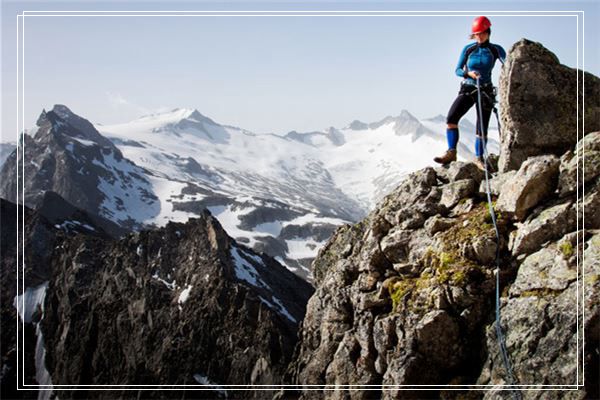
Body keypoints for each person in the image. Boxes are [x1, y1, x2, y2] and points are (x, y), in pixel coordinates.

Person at [433, 16, 506, 169]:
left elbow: (509, 63)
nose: (478, 36)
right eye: (476, 34)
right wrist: (469, 74)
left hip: (485, 90)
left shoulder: (495, 50)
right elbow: (458, 70)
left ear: (487, 32)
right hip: (469, 87)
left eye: (481, 33)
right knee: (452, 118)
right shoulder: (468, 49)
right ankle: (451, 152)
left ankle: (479, 158)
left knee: (482, 127)